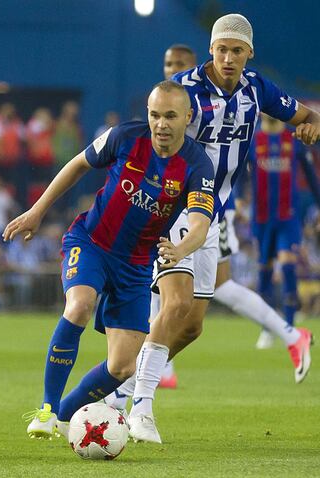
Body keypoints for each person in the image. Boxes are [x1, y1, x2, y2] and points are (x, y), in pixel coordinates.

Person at [106, 14, 319, 444]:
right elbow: (156, 135)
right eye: (221, 49)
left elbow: (304, 113)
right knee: (176, 302)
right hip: (175, 204)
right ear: (211, 49)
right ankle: (141, 407)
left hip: (213, 212)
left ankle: (120, 393)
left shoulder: (257, 90)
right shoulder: (186, 90)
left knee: (191, 325)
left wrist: (311, 125)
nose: (227, 57)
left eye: (236, 50)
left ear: (248, 54)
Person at [3, 80, 216, 439]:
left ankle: (63, 417)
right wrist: (37, 212)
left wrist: (180, 251)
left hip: (135, 266)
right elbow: (77, 165)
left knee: (122, 366)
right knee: (80, 305)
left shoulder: (198, 166)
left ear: (187, 117)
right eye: (154, 115)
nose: (161, 124)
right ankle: (46, 410)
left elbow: (200, 223)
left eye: (170, 116)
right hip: (91, 243)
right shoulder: (125, 137)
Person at [242, 114, 320, 348]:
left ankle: (288, 325)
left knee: (287, 265)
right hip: (262, 219)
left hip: (288, 218)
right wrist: (236, 200)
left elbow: (311, 177)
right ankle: (267, 327)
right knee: (264, 270)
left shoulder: (293, 140)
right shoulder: (253, 141)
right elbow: (237, 176)